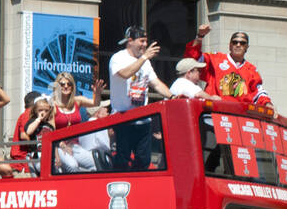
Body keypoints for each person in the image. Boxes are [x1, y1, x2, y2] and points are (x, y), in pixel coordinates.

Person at [109, 25, 172, 172]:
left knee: (143, 160)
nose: (145, 45)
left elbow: (155, 83)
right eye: (141, 41)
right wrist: (144, 57)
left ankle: (140, 189)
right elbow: (124, 73)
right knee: (122, 159)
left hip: (143, 119)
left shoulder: (146, 62)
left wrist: (172, 96)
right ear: (130, 41)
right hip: (123, 118)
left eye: (145, 41)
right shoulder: (118, 58)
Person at [183, 24, 271, 107]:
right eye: (235, 42)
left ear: (247, 47)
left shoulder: (251, 70)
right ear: (229, 46)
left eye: (242, 43)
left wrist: (267, 104)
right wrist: (199, 37)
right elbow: (192, 59)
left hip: (240, 116)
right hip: (215, 111)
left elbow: (259, 93)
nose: (238, 45)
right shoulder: (215, 59)